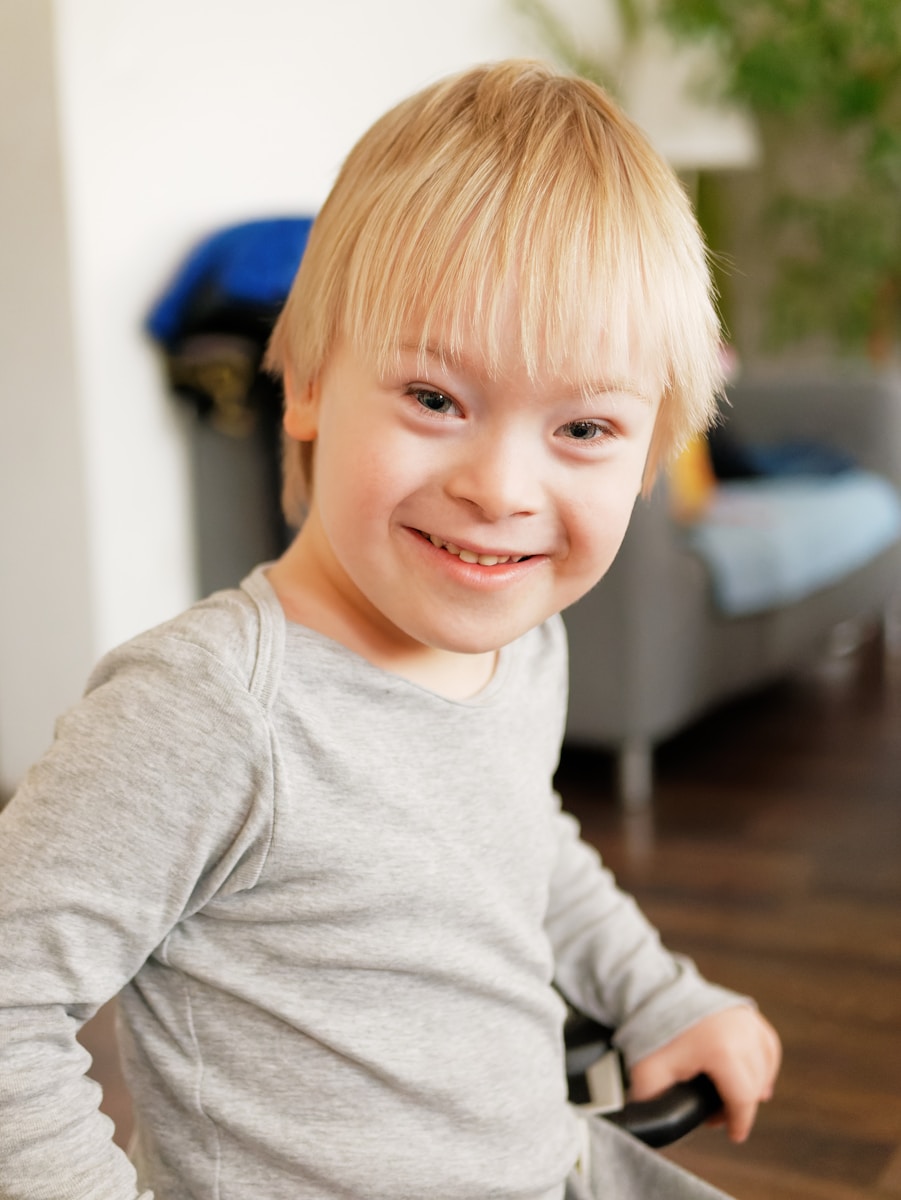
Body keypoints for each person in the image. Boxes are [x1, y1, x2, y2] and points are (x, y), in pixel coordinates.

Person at [0, 60, 780, 1200]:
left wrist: (660, 993)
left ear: (652, 445)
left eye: (582, 427)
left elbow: (524, 843)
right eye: (434, 400)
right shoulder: (211, 710)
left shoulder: (518, 643)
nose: (501, 487)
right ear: (308, 382)